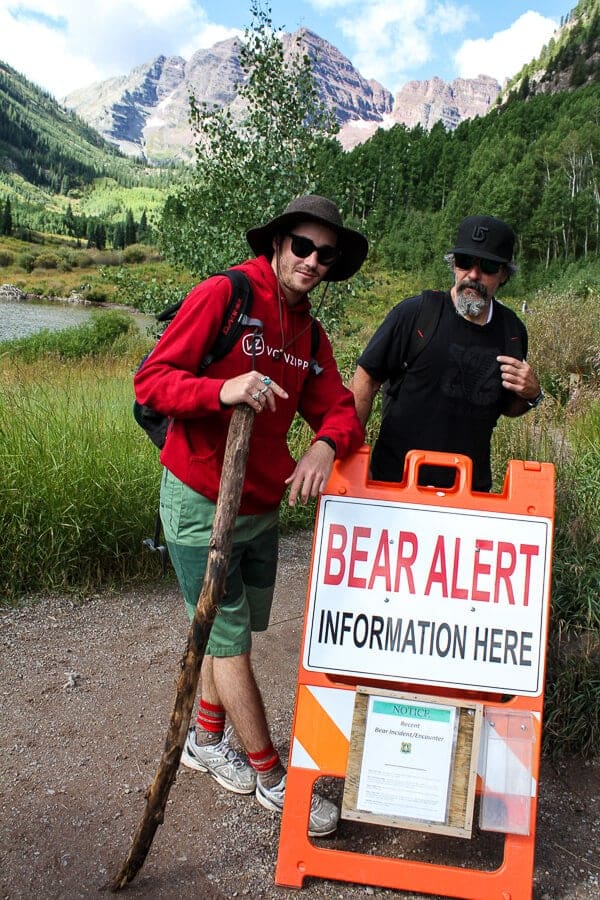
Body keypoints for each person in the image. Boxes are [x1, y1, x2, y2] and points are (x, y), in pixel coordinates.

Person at [134, 195, 367, 836]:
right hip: (199, 500)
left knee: (229, 632)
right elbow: (152, 380)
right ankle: (272, 777)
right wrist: (221, 389)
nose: (312, 261)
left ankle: (206, 739)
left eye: (326, 255)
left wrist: (325, 444)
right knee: (229, 635)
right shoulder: (226, 295)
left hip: (259, 506)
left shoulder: (309, 333)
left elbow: (339, 408)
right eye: (303, 246)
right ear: (278, 244)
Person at [350, 214, 543, 492]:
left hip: (467, 495)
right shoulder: (415, 314)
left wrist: (532, 394)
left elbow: (508, 407)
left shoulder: (512, 331)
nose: (473, 275)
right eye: (465, 262)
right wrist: (350, 455)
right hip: (394, 488)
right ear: (453, 265)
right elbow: (366, 379)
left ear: (503, 275)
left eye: (488, 266)